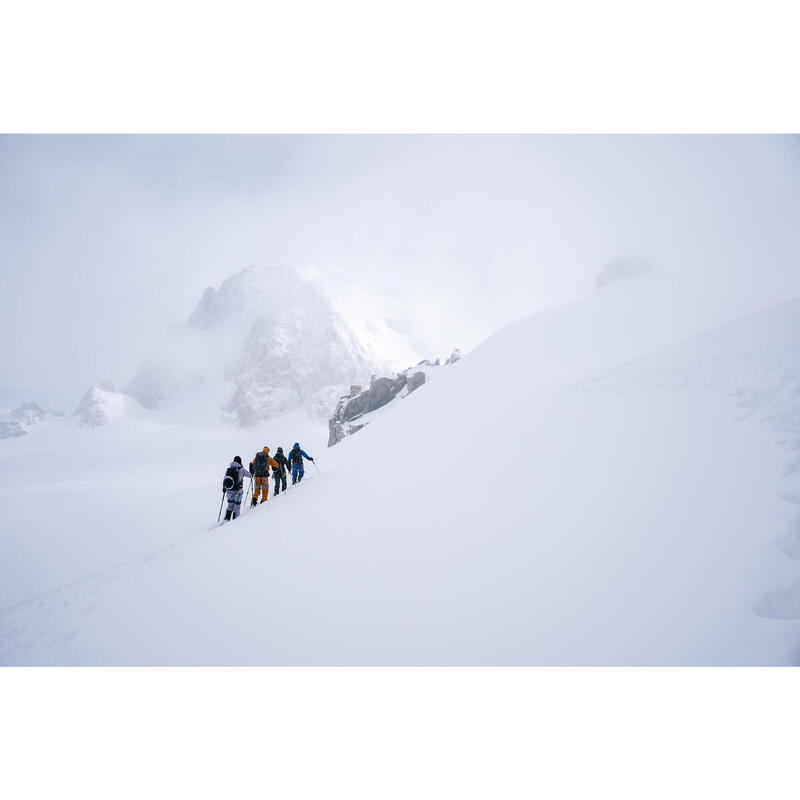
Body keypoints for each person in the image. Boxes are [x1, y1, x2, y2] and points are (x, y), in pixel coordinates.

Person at [222, 456, 251, 521]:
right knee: (236, 507)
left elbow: (224, 479)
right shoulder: (241, 469)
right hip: (238, 491)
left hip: (230, 490)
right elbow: (250, 475)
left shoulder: (229, 469)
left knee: (230, 505)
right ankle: (235, 522)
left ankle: (226, 519)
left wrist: (224, 488)